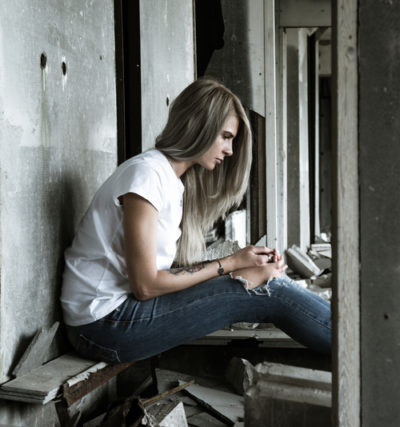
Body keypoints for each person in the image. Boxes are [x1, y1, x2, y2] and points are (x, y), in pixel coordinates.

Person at [60, 77, 331, 363]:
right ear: (199, 126)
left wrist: (244, 264)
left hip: (119, 317)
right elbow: (146, 285)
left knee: (263, 277)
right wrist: (231, 264)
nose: (229, 150)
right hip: (103, 326)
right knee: (268, 289)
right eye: (226, 137)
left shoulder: (169, 180)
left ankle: (347, 332)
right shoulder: (146, 176)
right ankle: (356, 345)